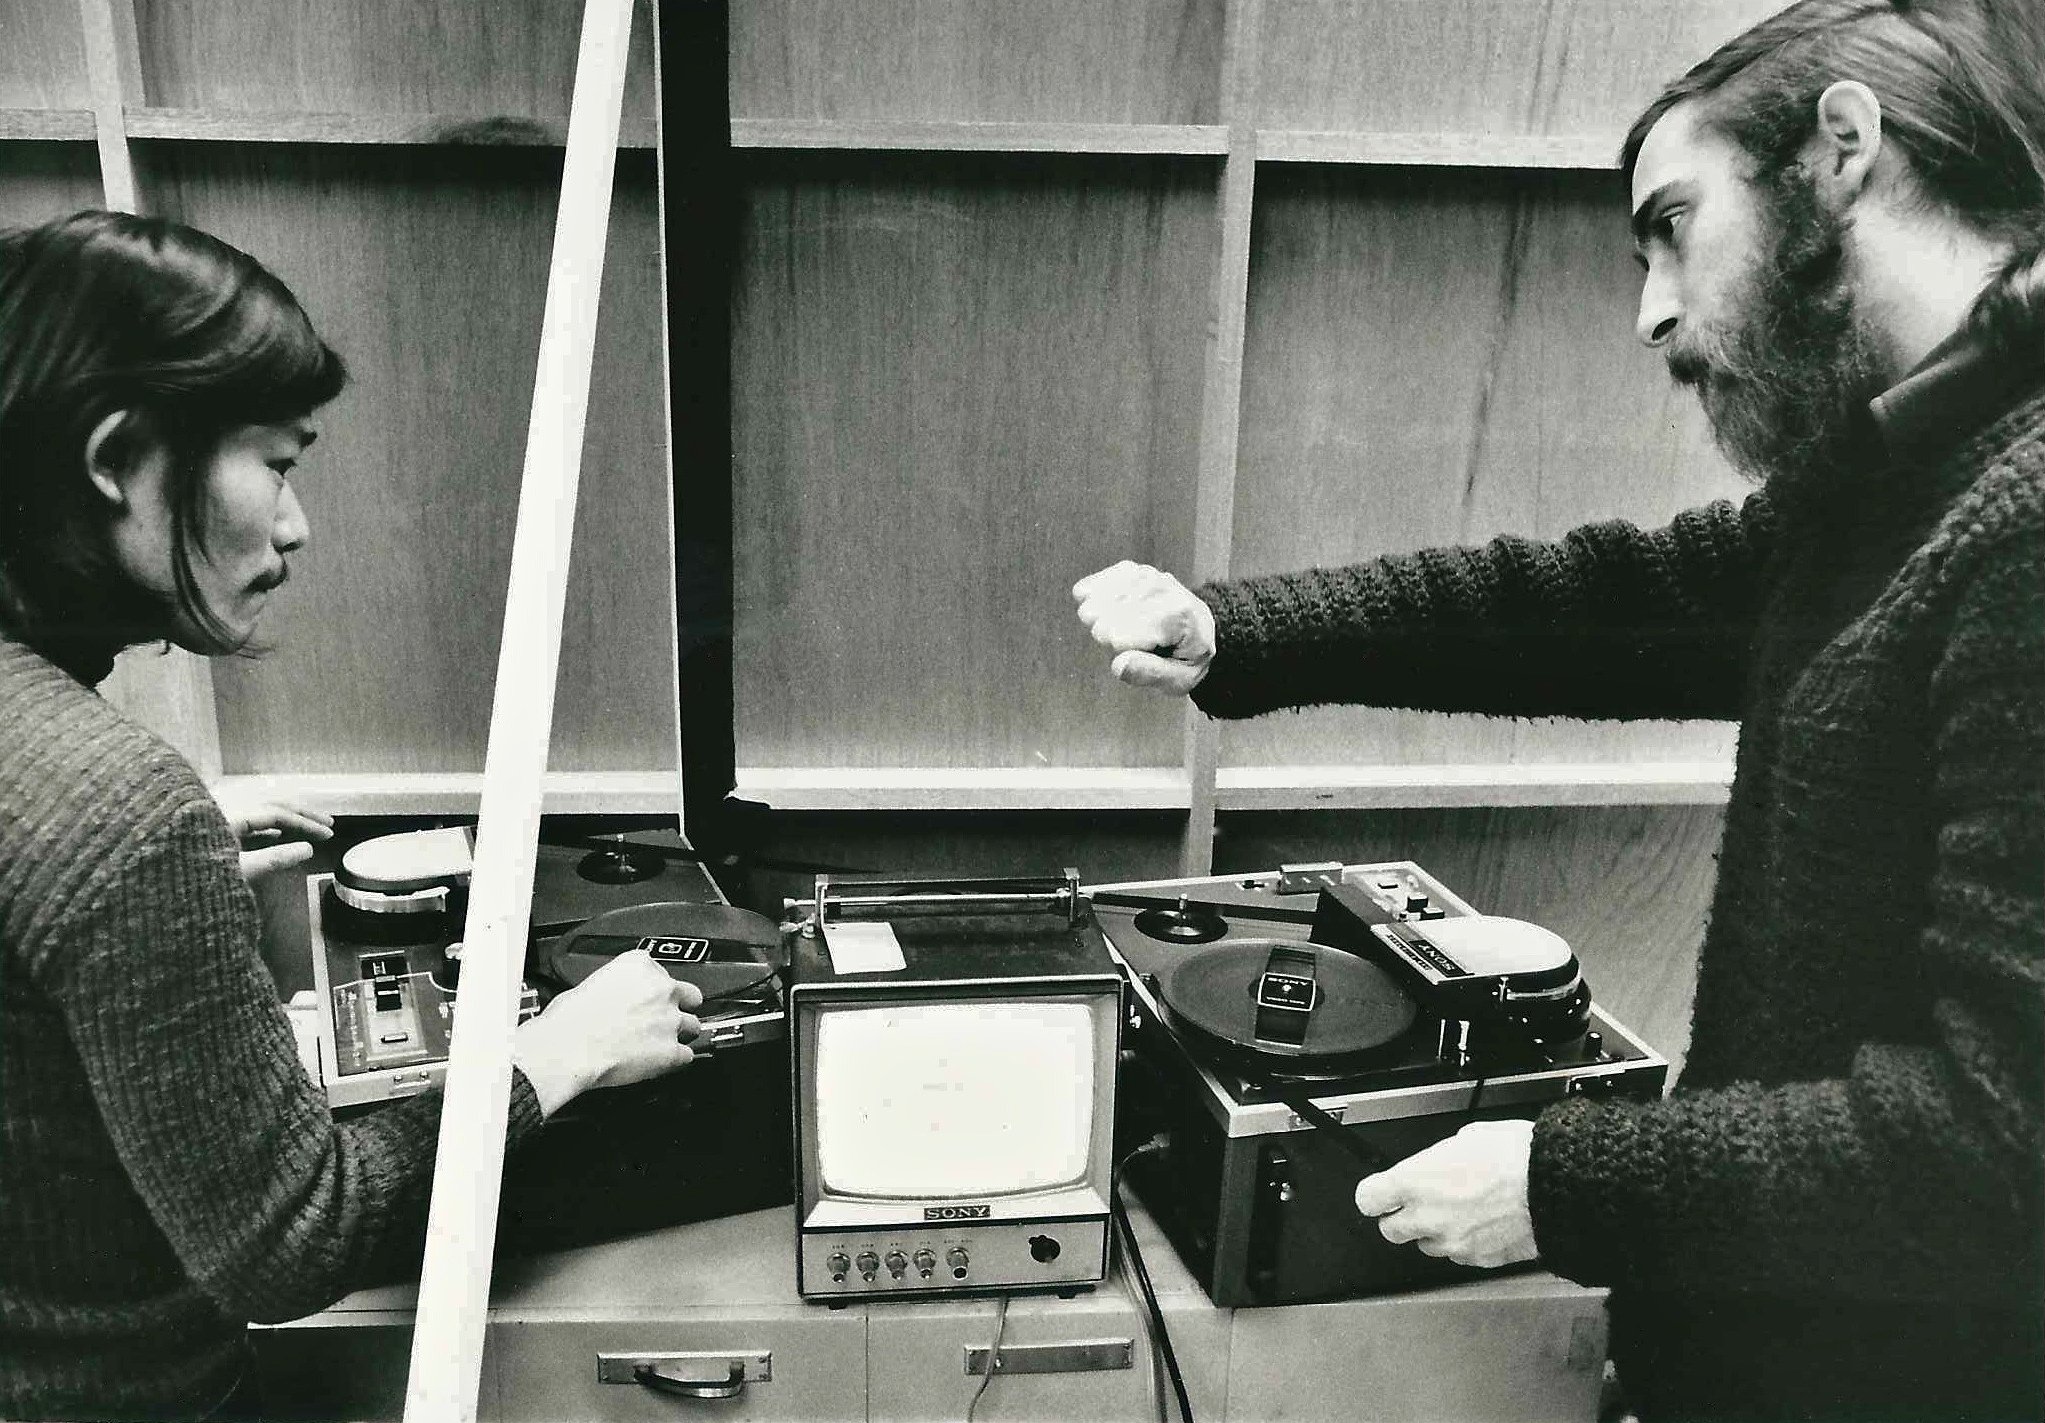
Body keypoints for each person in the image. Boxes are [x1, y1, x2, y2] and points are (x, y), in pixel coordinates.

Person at [1073, 1, 2043, 1418]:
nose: (1651, 308)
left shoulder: (2020, 522)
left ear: (1844, 149)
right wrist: (1238, 628)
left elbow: (1999, 1141)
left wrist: (1555, 1176)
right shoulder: (1903, 472)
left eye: (1673, 224)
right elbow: (1605, 600)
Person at [0, 210, 703, 1421]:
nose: (294, 524)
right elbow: (289, 1241)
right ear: (116, 458)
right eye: (274, 464)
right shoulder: (117, 814)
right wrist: (563, 1049)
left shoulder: (68, 790)